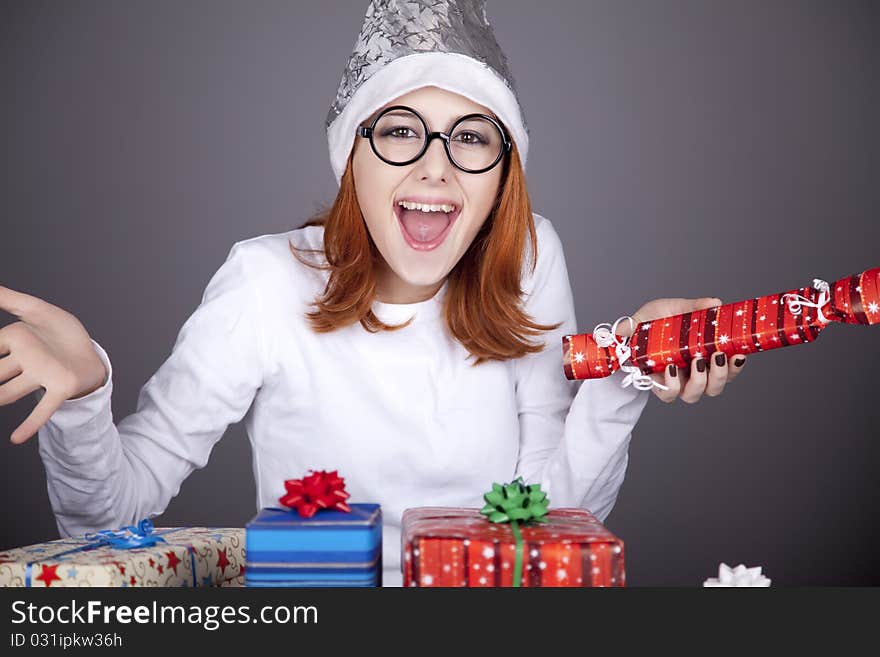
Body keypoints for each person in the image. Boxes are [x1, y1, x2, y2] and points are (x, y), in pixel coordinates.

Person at [0, 0, 746, 587]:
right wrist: (83, 394)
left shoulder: (527, 257)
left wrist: (623, 371)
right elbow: (105, 517)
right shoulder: (265, 280)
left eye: (471, 136)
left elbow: (548, 520)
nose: (434, 168)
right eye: (399, 130)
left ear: (501, 172)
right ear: (351, 158)